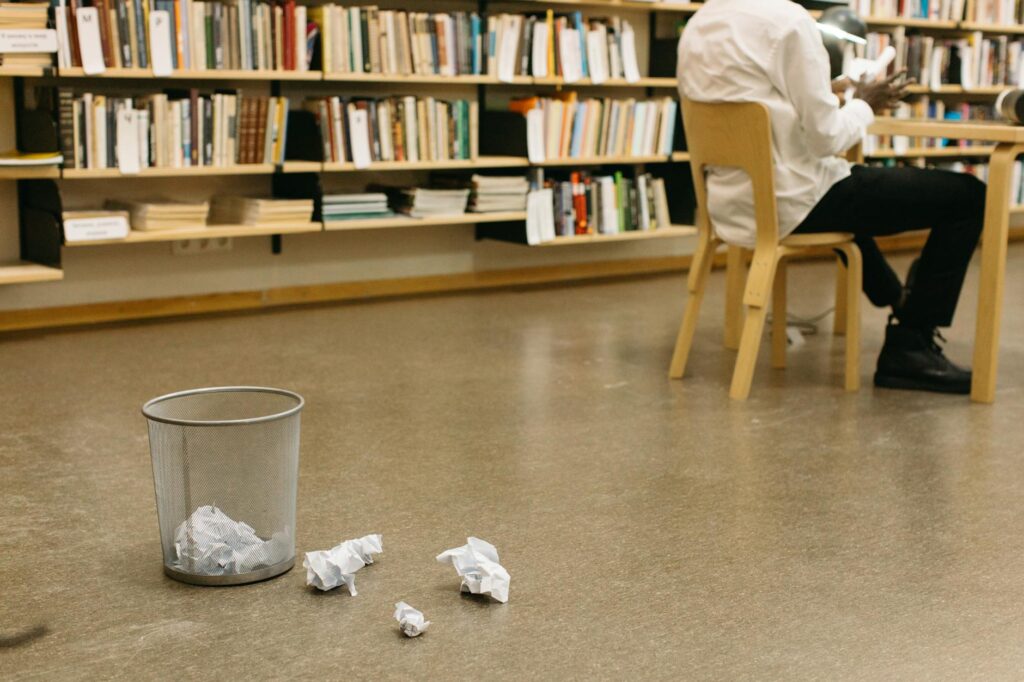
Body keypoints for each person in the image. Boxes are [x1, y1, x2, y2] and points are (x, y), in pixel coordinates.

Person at [677, 0, 985, 394]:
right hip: (795, 202)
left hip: (731, 203)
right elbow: (826, 140)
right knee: (968, 196)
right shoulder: (789, 21)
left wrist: (825, 93)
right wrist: (864, 104)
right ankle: (910, 345)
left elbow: (753, 101)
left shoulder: (702, 21)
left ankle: (896, 299)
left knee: (849, 188)